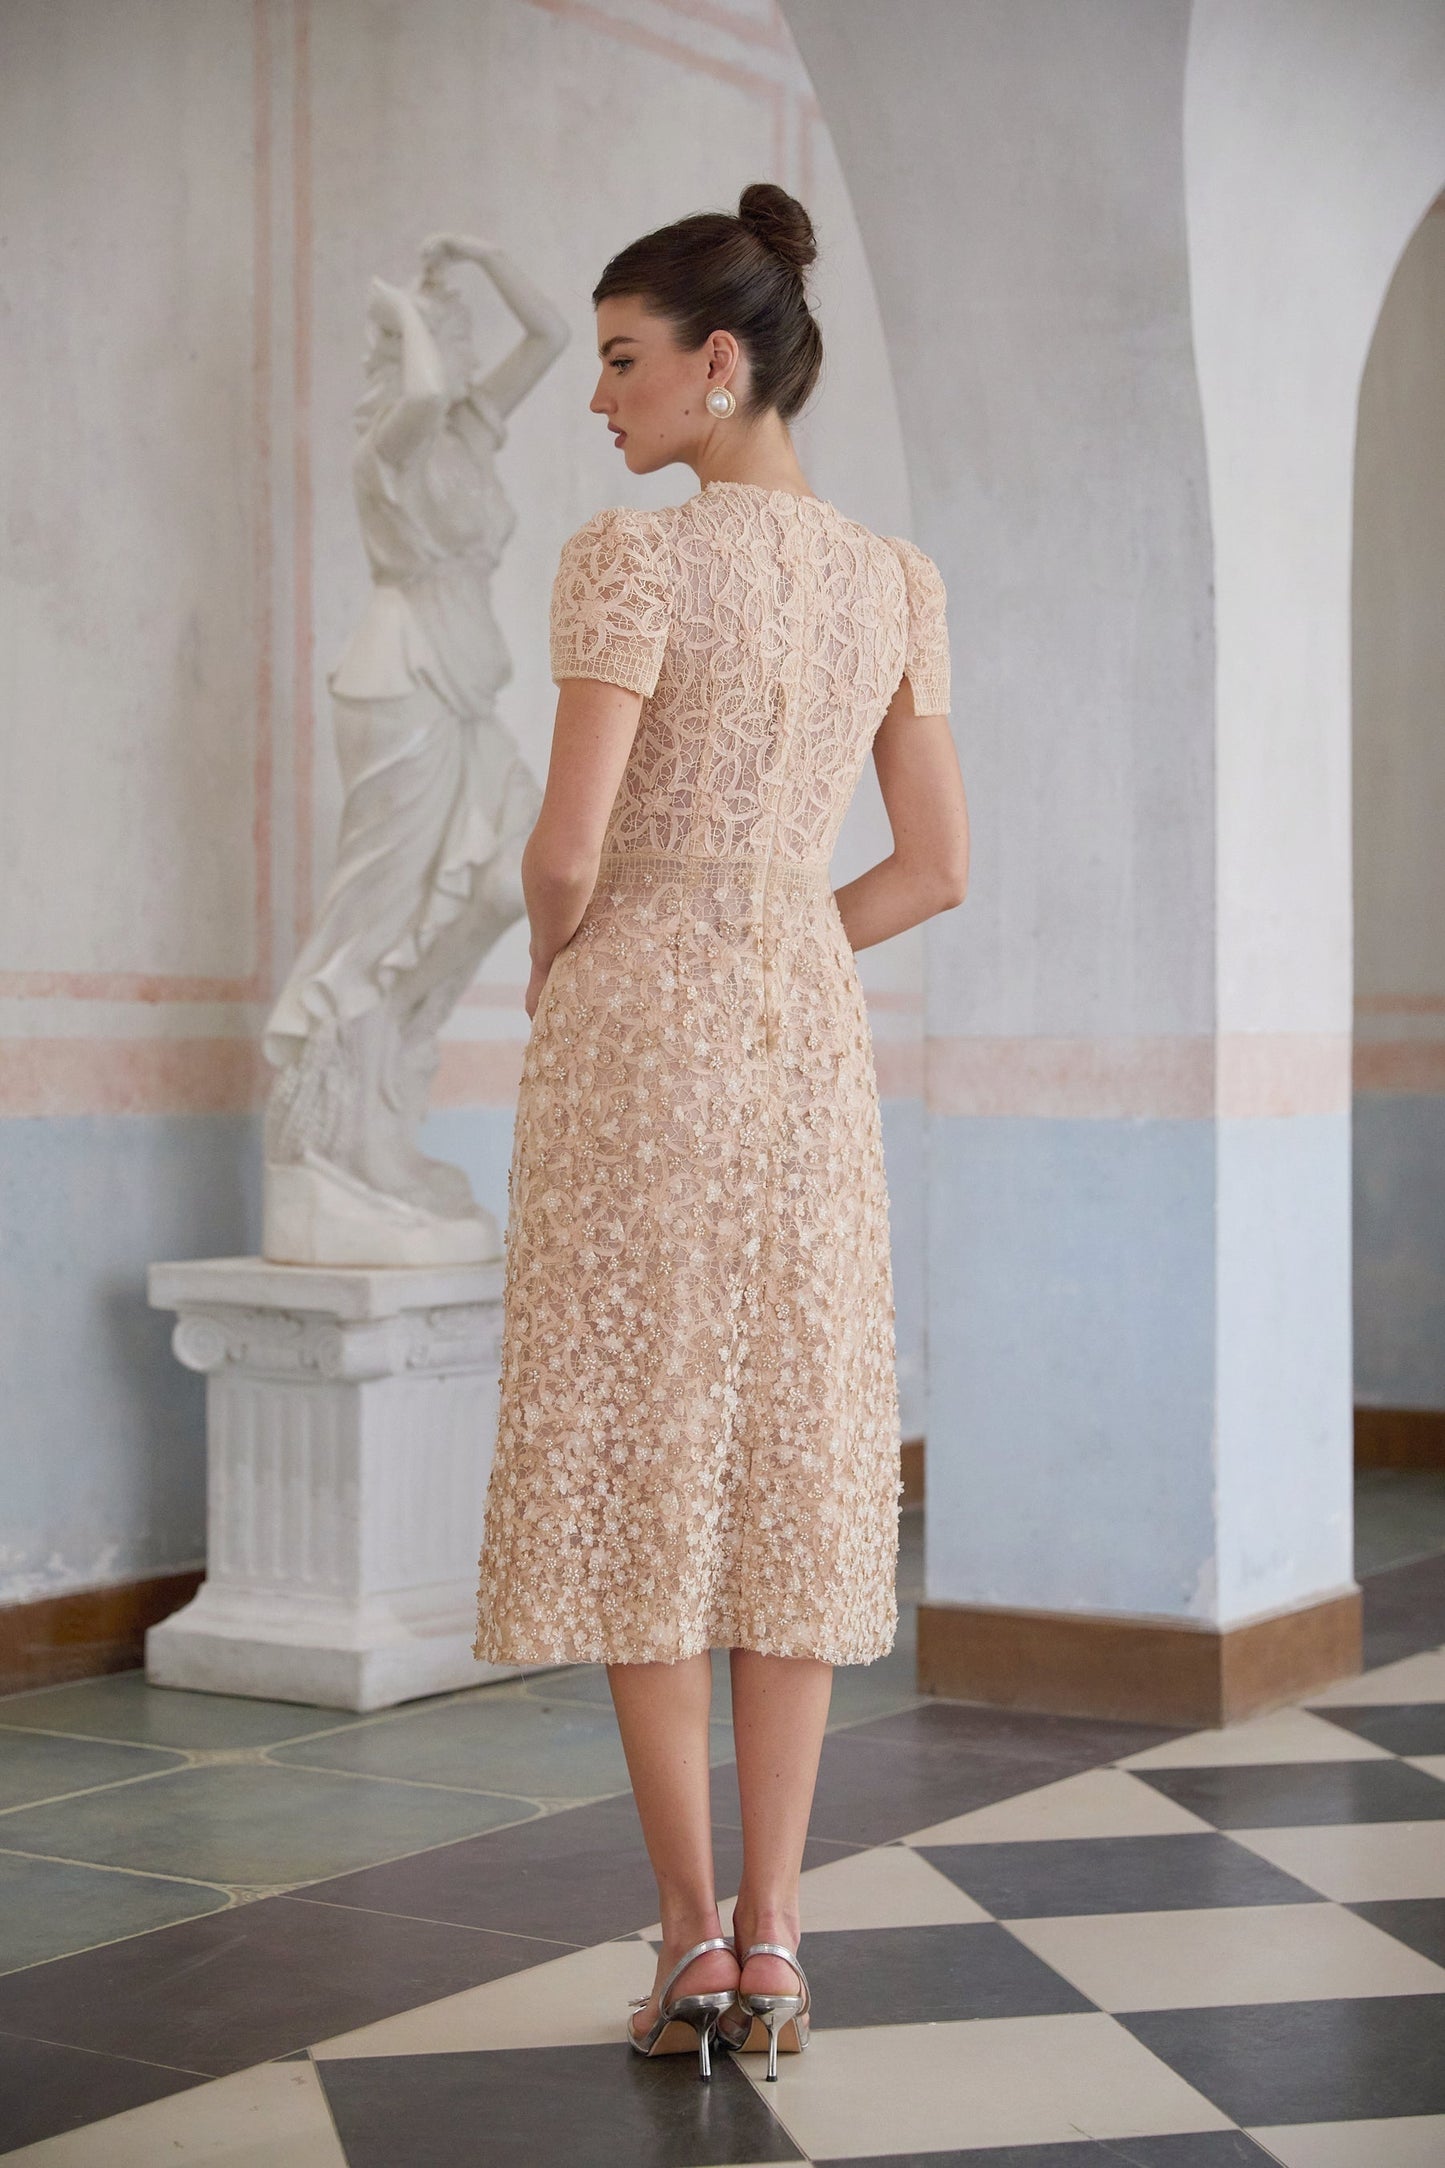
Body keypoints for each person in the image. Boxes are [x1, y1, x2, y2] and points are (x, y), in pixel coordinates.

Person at [473, 181, 970, 2080]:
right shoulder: (894, 580)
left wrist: (565, 964)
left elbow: (564, 850)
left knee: (644, 1451)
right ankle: (776, 1936)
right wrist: (778, 929)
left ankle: (684, 1936)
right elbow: (931, 869)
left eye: (620, 360)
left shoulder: (631, 561)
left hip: (639, 1036)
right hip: (801, 1040)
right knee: (793, 1455)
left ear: (720, 363)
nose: (598, 398)